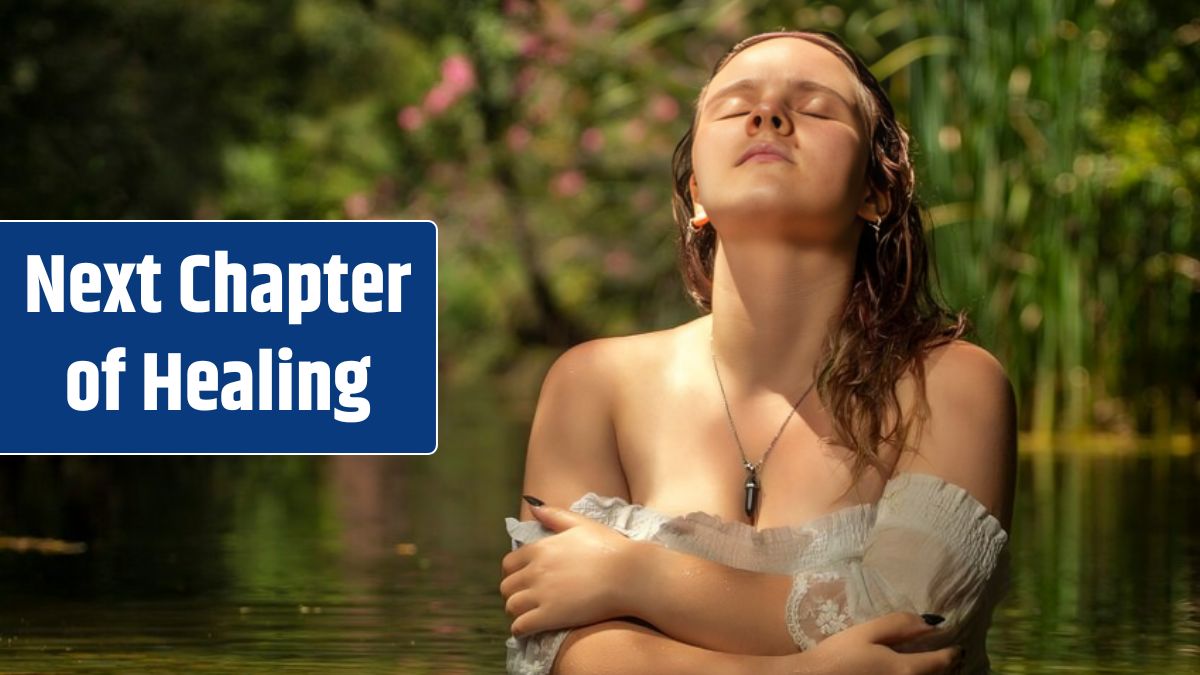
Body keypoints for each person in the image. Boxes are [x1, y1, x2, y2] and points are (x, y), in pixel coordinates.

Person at [499, 29, 1017, 675]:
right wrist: (801, 671)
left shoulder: (951, 384)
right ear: (696, 194)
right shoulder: (592, 385)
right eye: (736, 103)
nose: (767, 115)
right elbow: (558, 652)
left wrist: (635, 573)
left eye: (816, 107)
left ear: (875, 191)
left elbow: (910, 630)